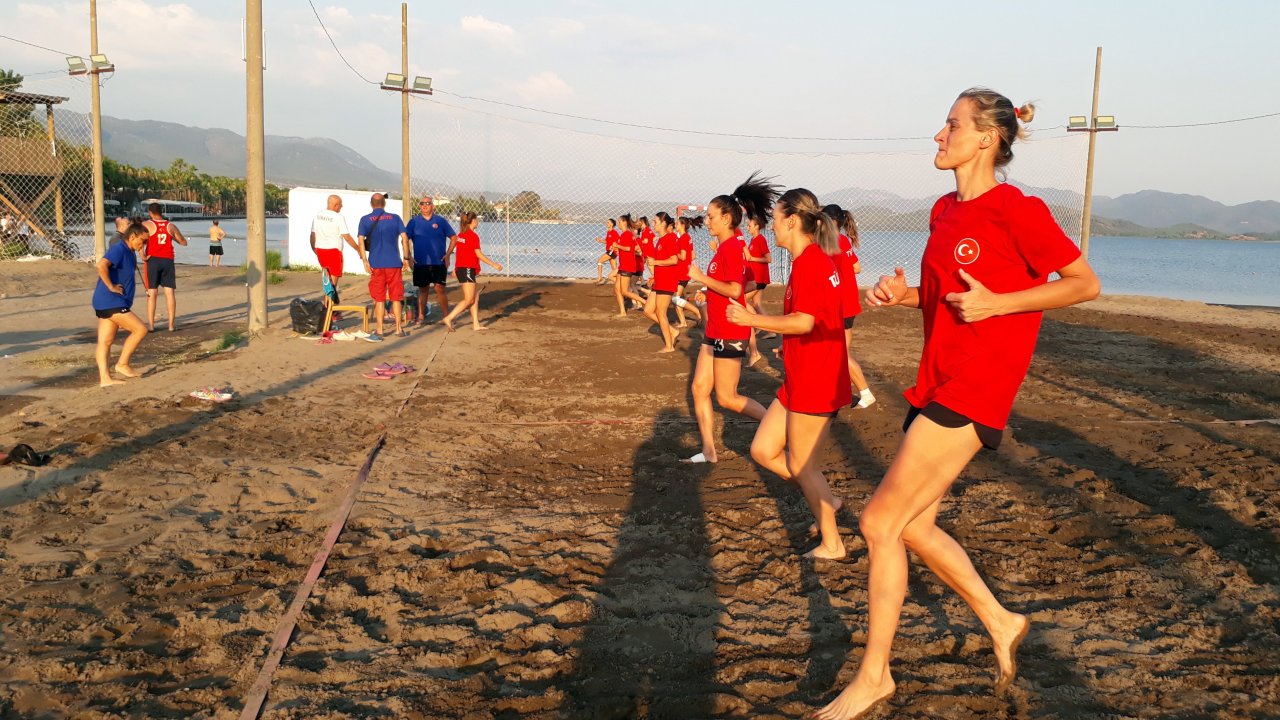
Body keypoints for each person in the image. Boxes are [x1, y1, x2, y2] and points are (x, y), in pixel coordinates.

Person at [812, 89, 1101, 720]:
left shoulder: (1017, 210)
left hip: (979, 386)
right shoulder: (944, 210)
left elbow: (1084, 284)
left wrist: (1002, 303)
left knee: (879, 524)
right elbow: (948, 295)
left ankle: (874, 678)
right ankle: (1001, 619)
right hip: (936, 381)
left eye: (951, 125)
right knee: (912, 526)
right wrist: (904, 294)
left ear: (987, 139)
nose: (939, 136)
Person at [729, 188, 849, 559]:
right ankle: (828, 500)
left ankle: (833, 542)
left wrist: (752, 319)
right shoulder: (807, 261)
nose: (772, 227)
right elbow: (816, 321)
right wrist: (789, 340)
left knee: (801, 464)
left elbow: (805, 320)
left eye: (776, 220)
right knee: (763, 450)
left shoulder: (813, 262)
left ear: (792, 221)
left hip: (818, 380)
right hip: (801, 374)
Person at [683, 172, 778, 463]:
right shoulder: (727, 247)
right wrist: (707, 291)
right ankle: (709, 452)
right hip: (713, 330)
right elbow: (744, 285)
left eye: (711, 217)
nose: (707, 221)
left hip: (729, 332)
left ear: (726, 218)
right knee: (699, 389)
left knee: (727, 398)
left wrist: (701, 278)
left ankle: (776, 427)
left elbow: (736, 289)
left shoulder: (734, 247)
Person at [824, 204, 877, 410]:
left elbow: (828, 272)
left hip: (839, 305)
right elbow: (857, 267)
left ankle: (865, 392)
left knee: (839, 354)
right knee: (839, 352)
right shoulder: (844, 240)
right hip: (849, 303)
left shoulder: (830, 243)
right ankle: (839, 392)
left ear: (829, 221)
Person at [92, 221, 150, 387]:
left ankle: (105, 379)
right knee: (140, 329)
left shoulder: (130, 251)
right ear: (132, 237)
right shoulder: (119, 248)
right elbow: (101, 265)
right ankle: (122, 364)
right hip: (111, 300)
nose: (144, 244)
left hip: (107, 301)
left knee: (105, 342)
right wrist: (111, 286)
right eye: (143, 240)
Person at [357, 193, 411, 339]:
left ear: (371, 204)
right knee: (396, 297)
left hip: (376, 264)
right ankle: (399, 329)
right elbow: (405, 238)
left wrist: (364, 261)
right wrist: (406, 257)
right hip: (393, 263)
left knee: (379, 298)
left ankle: (380, 330)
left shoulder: (365, 220)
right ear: (384, 204)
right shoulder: (395, 218)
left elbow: (361, 242)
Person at [441, 211, 504, 331]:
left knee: (475, 296)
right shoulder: (473, 236)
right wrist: (494, 265)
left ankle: (475, 324)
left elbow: (460, 254)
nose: (478, 222)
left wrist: (456, 268)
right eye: (477, 220)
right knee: (469, 299)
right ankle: (449, 317)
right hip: (468, 269)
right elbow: (478, 254)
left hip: (462, 268)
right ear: (473, 221)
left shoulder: (461, 235)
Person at [405, 195, 456, 325]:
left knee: (440, 288)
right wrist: (409, 257)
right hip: (421, 262)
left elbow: (454, 238)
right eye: (422, 203)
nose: (425, 205)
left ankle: (446, 316)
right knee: (423, 290)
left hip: (438, 262)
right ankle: (421, 316)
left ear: (432, 205)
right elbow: (404, 239)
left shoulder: (440, 221)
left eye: (428, 203)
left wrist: (448, 254)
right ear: (419, 206)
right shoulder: (414, 222)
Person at [310, 194, 366, 309]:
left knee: (327, 281)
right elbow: (346, 236)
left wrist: (314, 249)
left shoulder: (317, 216)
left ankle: (329, 309)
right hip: (334, 251)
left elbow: (312, 235)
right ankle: (329, 311)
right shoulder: (338, 217)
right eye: (340, 205)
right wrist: (358, 249)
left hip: (321, 250)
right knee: (332, 284)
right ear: (336, 205)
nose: (341, 207)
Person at [142, 202, 188, 332]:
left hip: (153, 260)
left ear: (150, 213)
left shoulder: (147, 225)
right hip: (167, 260)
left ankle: (151, 325)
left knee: (152, 293)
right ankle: (171, 325)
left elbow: (139, 241)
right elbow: (183, 242)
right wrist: (171, 237)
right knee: (169, 293)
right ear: (161, 212)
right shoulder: (170, 225)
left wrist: (142, 255)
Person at [642, 212, 682, 353]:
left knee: (661, 312)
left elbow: (674, 260)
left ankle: (669, 346)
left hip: (668, 281)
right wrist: (654, 276)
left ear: (663, 223)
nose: (653, 224)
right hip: (660, 280)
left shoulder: (670, 238)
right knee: (647, 310)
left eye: (655, 222)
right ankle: (672, 331)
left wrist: (655, 262)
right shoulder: (660, 240)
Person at [744, 214, 773, 365]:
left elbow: (768, 258)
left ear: (757, 226)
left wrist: (751, 259)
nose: (747, 227)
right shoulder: (753, 240)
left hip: (759, 279)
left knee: (743, 301)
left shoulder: (760, 239)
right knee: (756, 303)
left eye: (749, 225)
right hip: (755, 278)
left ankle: (754, 324)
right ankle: (769, 329)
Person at [611, 215, 645, 317]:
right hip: (623, 265)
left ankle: (645, 302)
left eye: (619, 222)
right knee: (617, 288)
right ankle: (622, 312)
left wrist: (617, 246)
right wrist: (618, 249)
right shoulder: (624, 235)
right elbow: (634, 248)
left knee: (625, 291)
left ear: (624, 222)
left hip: (627, 266)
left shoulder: (627, 234)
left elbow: (629, 248)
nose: (618, 224)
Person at [673, 215, 703, 328]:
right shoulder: (688, 237)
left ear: (682, 225)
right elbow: (693, 255)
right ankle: (683, 322)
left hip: (681, 273)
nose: (675, 225)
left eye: (677, 223)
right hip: (684, 271)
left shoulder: (683, 238)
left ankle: (698, 312)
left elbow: (683, 256)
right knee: (679, 298)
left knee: (675, 299)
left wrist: (673, 252)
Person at [595, 218, 620, 285]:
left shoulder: (614, 232)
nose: (607, 223)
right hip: (610, 251)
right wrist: (600, 240)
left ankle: (599, 278)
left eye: (608, 222)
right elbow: (607, 241)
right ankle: (620, 283)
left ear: (612, 224)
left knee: (599, 261)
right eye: (607, 222)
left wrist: (614, 248)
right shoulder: (608, 232)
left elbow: (618, 241)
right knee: (614, 269)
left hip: (612, 251)